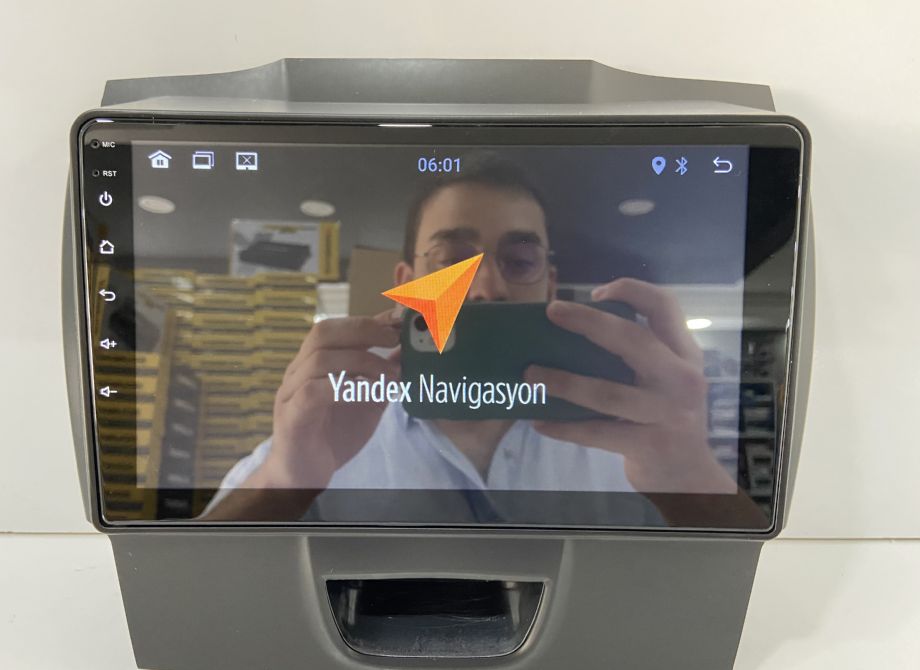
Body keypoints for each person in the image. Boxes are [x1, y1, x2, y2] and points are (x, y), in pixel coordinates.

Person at [201, 157, 763, 527]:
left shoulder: (632, 438)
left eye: (519, 260)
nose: (487, 287)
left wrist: (689, 476)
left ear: (549, 285)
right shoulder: (329, 427)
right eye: (452, 260)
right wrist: (284, 484)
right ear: (407, 285)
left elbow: (755, 601)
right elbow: (188, 589)